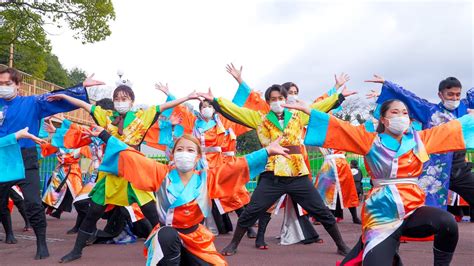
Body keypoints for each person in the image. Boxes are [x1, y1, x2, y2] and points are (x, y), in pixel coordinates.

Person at [285, 98, 474, 265]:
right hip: (381, 214)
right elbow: (341, 128)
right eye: (395, 112)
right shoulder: (370, 141)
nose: (401, 116)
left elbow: (450, 130)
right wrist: (310, 111)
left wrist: (472, 119)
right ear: (384, 119)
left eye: (405, 113)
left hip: (412, 208)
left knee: (447, 222)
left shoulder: (419, 140)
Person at [86, 127, 289, 265]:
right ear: (173, 155)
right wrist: (105, 135)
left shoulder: (207, 178)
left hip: (196, 237)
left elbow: (236, 166)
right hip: (167, 236)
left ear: (198, 156)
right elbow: (131, 156)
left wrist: (266, 152)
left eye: (190, 150)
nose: (185, 153)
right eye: (180, 149)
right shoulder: (161, 173)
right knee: (167, 234)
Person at [51, 85, 200, 263]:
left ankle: (179, 253)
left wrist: (187, 97)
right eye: (118, 99)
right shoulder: (105, 117)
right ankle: (76, 250)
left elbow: (164, 106)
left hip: (135, 175)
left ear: (131, 101)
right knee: (92, 214)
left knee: (154, 217)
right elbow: (84, 105)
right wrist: (64, 95)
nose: (121, 102)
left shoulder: (141, 118)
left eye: (124, 98)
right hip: (112, 176)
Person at [201, 82, 352, 256]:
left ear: (285, 99)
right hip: (272, 175)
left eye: (280, 98)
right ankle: (233, 244)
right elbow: (237, 111)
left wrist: (338, 97)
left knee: (322, 211)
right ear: (267, 101)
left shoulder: (298, 116)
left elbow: (318, 108)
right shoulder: (260, 118)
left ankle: (341, 245)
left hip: (297, 174)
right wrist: (216, 102)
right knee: (251, 211)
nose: (277, 102)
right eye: (273, 99)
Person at [0, 66, 101, 259]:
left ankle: (41, 242)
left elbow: (56, 96)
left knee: (33, 203)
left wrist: (80, 87)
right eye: (0, 84)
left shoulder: (32, 102)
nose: (4, 87)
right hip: (2, 157)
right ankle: (10, 233)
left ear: (18, 86)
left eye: (8, 84)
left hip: (25, 158)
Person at [366, 76, 474, 210]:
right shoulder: (429, 110)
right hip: (433, 169)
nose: (454, 98)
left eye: (458, 95)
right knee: (430, 210)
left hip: (459, 167)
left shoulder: (465, 106)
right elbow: (409, 98)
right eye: (450, 94)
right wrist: (387, 84)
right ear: (440, 95)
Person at [0, 128, 45, 244]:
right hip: (7, 168)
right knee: (3, 204)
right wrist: (15, 136)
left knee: (18, 200)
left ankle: (25, 225)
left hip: (14, 169)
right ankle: (9, 232)